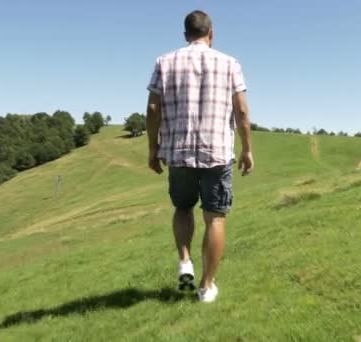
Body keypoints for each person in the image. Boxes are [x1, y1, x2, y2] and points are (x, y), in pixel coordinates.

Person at [145, 10, 253, 303]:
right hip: (217, 153)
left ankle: (184, 260)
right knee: (215, 217)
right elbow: (241, 110)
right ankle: (206, 286)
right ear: (211, 33)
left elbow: (153, 109)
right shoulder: (230, 64)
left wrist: (153, 150)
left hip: (178, 153)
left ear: (185, 35)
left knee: (182, 208)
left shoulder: (164, 62)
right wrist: (247, 149)